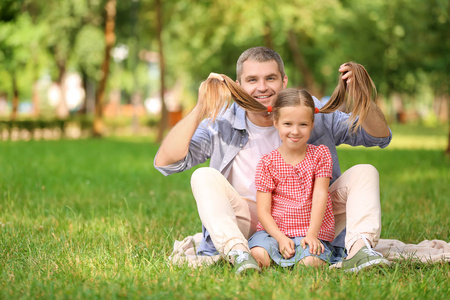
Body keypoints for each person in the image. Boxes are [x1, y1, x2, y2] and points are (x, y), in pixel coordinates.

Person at [154, 46, 392, 274]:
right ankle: (238, 251)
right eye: (252, 80)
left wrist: (362, 95)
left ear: (284, 81)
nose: (262, 88)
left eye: (270, 78)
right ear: (238, 85)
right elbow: (166, 162)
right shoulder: (223, 122)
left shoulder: (310, 112)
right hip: (248, 220)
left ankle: (360, 250)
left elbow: (377, 136)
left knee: (365, 171)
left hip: (313, 216)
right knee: (202, 176)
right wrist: (201, 108)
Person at [249, 88, 354, 269]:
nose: (295, 131)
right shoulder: (267, 162)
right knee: (259, 255)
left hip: (310, 231)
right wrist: (280, 238)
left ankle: (296, 259)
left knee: (310, 264)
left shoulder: (320, 154)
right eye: (288, 124)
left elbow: (320, 194)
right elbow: (263, 211)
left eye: (303, 124)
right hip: (275, 233)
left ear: (312, 124)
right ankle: (280, 254)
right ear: (276, 122)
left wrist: (312, 234)